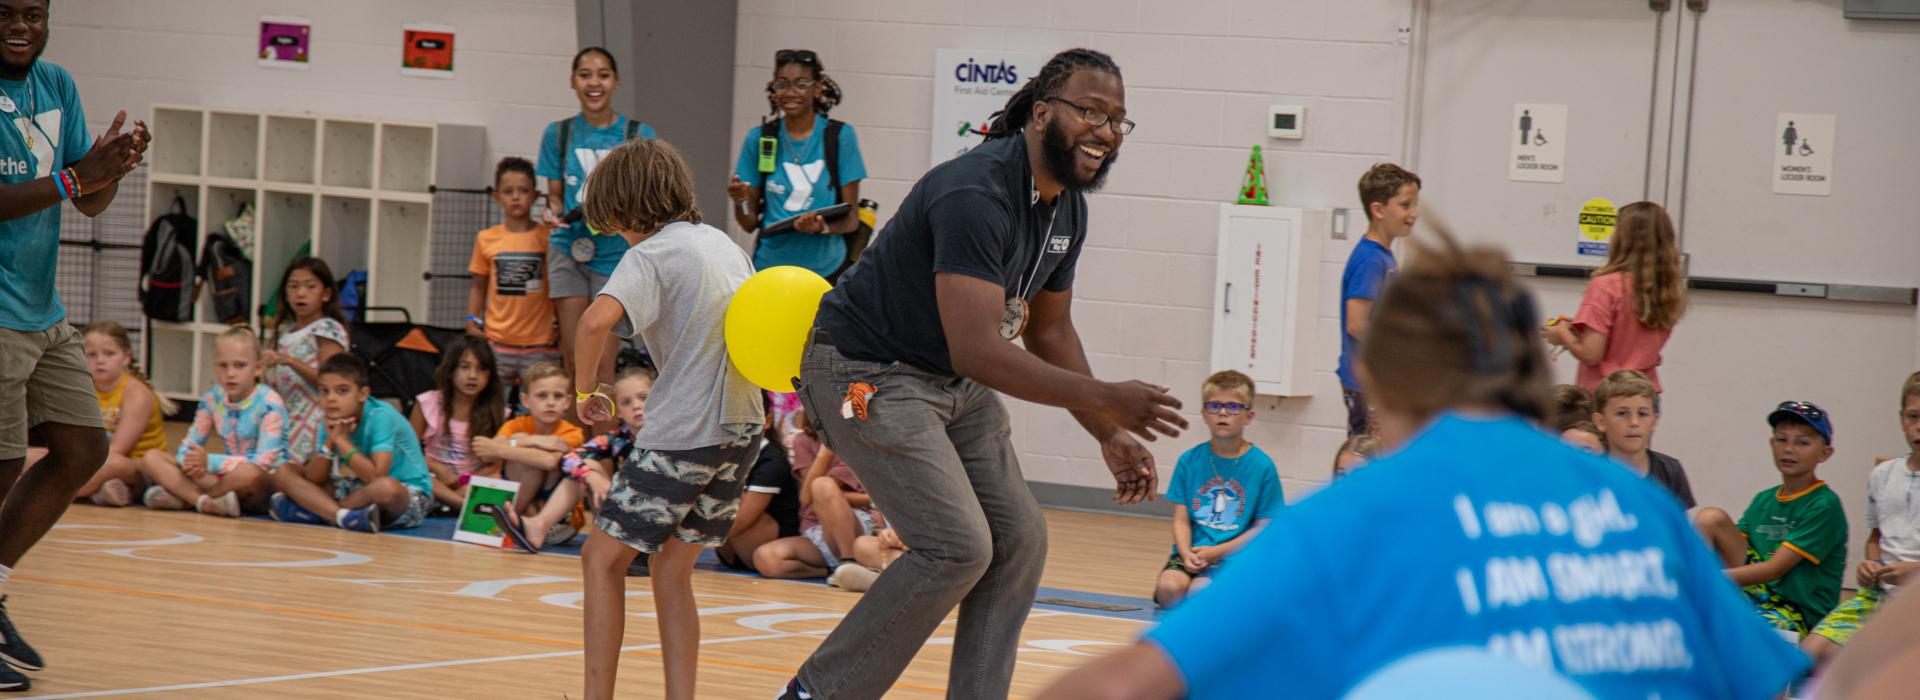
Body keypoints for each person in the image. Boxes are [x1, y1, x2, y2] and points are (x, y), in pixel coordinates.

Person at [1036, 230, 1808, 700]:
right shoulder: (1640, 508)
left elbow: (1122, 686)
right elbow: (1766, 681)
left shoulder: (1351, 517)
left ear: (1382, 379)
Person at [776, 48, 1185, 700]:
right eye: (1091, 111)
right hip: (864, 370)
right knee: (957, 545)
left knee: (1019, 541)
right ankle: (815, 694)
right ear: (1043, 112)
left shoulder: (1066, 210)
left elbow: (1047, 330)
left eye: (1118, 120)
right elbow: (978, 350)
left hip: (946, 381)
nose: (1106, 131)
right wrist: (1108, 397)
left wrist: (1105, 430)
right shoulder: (976, 191)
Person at [569, 138, 763, 700]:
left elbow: (590, 324)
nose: (617, 236)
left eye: (614, 222)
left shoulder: (649, 256)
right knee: (673, 571)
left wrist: (589, 391)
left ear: (627, 208)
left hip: (685, 433)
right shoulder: (724, 244)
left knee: (600, 560)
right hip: (743, 427)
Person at [0, 0, 148, 686]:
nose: (20, 26)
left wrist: (109, 167)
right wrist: (73, 177)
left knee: (84, 447)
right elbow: (58, 187)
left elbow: (87, 199)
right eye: (5, 13)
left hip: (43, 308)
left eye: (33, 13)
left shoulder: (56, 85)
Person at [538, 47, 655, 386]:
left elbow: (645, 198)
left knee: (603, 367)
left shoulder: (637, 133)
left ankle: (602, 442)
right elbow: (555, 197)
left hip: (616, 255)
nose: (594, 83)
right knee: (574, 365)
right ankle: (577, 440)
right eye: (585, 74)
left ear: (615, 82)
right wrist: (552, 213)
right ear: (573, 81)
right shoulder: (558, 134)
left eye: (603, 75)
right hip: (568, 248)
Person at [1694, 401, 1847, 637]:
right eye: (1781, 439)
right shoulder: (1764, 499)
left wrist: (1708, 580)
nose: (1789, 449)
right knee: (1710, 518)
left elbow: (1774, 570)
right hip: (1754, 595)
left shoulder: (1824, 505)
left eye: (1802, 443)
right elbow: (1730, 550)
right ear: (1771, 443)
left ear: (1825, 453)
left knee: (1736, 634)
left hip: (1796, 613)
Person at [1801, 372, 1920, 668]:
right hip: (1877, 597)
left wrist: (1913, 572)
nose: (1919, 427)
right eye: (1913, 416)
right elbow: (1876, 538)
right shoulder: (1883, 475)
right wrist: (1870, 564)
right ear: (1902, 418)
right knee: (1804, 656)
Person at [726, 48, 867, 283]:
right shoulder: (761, 139)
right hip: (771, 271)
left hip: (826, 272)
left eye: (801, 84)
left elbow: (851, 220)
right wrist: (740, 201)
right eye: (782, 84)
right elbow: (748, 223)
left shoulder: (840, 137)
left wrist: (819, 227)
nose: (790, 93)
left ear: (818, 88)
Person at [1153, 370, 1282, 609]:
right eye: (1214, 406)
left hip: (1233, 558)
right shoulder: (1189, 461)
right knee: (1168, 590)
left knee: (1200, 593)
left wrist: (1218, 551)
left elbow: (1263, 527)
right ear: (1204, 414)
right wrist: (1185, 553)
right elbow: (1181, 519)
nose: (1223, 413)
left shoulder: (1262, 465)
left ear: (1249, 416)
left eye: (1233, 407)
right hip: (1193, 552)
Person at [269, 353, 435, 532]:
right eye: (324, 391)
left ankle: (321, 512)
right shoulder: (329, 418)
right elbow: (314, 479)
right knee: (284, 471)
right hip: (355, 491)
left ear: (362, 394)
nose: (331, 398)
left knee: (386, 488)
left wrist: (341, 440)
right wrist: (330, 442)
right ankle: (341, 516)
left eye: (342, 391)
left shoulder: (381, 416)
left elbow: (377, 476)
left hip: (405, 494)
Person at [137, 327, 285, 518]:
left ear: (258, 368)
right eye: (223, 366)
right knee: (151, 458)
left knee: (247, 474)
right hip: (222, 477)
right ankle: (205, 502)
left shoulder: (270, 402)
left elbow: (263, 462)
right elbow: (188, 446)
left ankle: (186, 498)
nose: (230, 373)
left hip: (259, 481)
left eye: (240, 366)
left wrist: (210, 462)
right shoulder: (211, 398)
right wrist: (192, 462)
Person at [506, 366, 653, 551]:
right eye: (626, 401)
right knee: (588, 465)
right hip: (623, 518)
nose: (636, 405)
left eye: (644, 397)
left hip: (659, 519)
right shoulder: (615, 440)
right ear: (617, 411)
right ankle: (538, 526)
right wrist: (591, 476)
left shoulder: (672, 440)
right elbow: (569, 458)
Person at [1543, 201, 1687, 392]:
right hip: (1644, 396)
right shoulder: (1667, 289)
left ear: (1622, 238)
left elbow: (1591, 354)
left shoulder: (1606, 286)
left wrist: (1562, 333)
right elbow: (1628, 337)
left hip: (1605, 397)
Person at [28, 321, 174, 507]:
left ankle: (48, 493)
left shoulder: (137, 393)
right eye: (91, 354)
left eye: (109, 353)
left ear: (126, 357)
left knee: (111, 464)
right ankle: (99, 491)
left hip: (135, 465)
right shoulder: (81, 389)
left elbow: (119, 449)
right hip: (93, 459)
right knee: (30, 456)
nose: (100, 360)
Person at [1338, 163, 1421, 437]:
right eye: (1405, 205)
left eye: (1415, 205)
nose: (1413, 214)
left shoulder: (1383, 256)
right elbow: (1357, 324)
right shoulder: (1371, 259)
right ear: (1378, 210)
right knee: (1368, 457)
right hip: (1366, 385)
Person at [750, 409, 877, 582]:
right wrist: (825, 452)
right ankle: (831, 571)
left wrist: (831, 497)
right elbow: (806, 496)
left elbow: (820, 491)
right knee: (765, 558)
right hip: (815, 529)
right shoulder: (803, 440)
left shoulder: (855, 443)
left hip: (854, 525)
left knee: (822, 485)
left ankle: (850, 561)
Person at [467, 156, 560, 389]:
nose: (516, 197)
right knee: (493, 406)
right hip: (497, 341)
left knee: (539, 408)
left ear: (536, 196)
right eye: (508, 191)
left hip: (540, 342)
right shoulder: (486, 238)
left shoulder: (548, 237)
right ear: (497, 197)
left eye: (523, 190)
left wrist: (561, 324)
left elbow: (559, 283)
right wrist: (471, 320)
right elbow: (478, 284)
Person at [472, 361, 586, 533]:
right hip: (522, 496)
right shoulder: (515, 425)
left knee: (532, 459)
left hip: (559, 517)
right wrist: (529, 441)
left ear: (568, 401)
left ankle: (523, 518)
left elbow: (550, 462)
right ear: (525, 400)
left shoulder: (573, 432)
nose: (550, 403)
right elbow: (484, 452)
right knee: (525, 457)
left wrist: (502, 448)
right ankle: (517, 518)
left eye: (558, 396)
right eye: (542, 396)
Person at [262, 256, 348, 467]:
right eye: (293, 287)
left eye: (310, 287)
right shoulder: (286, 332)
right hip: (289, 420)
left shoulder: (327, 328)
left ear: (326, 294)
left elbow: (331, 380)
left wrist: (288, 361)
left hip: (315, 422)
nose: (301, 293)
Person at [409, 336, 506, 509]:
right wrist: (437, 468)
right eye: (465, 367)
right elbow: (407, 452)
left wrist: (465, 481)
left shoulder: (499, 411)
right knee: (419, 477)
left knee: (494, 483)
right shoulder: (427, 403)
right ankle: (462, 505)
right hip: (434, 477)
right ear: (451, 370)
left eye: (481, 368)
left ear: (490, 375)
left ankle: (448, 501)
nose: (472, 376)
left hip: (472, 481)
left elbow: (497, 463)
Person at [717, 394, 801, 573]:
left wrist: (693, 540)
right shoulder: (727, 453)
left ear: (766, 421)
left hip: (772, 538)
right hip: (733, 551)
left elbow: (746, 516)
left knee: (732, 506)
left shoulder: (772, 460)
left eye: (745, 417)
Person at [1591, 370, 1694, 508]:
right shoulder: (1590, 472)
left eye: (1642, 414)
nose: (1634, 422)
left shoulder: (1670, 470)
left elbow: (1677, 526)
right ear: (1601, 421)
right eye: (1622, 413)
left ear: (1654, 420)